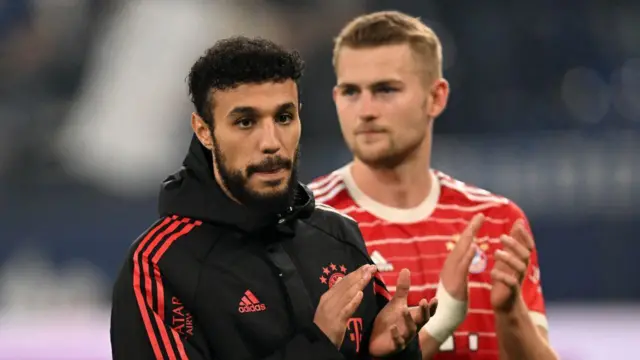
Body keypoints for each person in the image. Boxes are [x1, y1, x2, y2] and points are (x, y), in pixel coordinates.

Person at [110, 35, 438, 360]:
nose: (271, 142)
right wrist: (317, 345)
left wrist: (390, 353)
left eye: (283, 117)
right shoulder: (160, 266)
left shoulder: (339, 234)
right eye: (245, 122)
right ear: (204, 132)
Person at [309, 11, 559, 360]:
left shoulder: (497, 221)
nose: (365, 110)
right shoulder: (306, 223)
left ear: (436, 97)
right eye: (351, 91)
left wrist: (509, 312)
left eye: (385, 90)